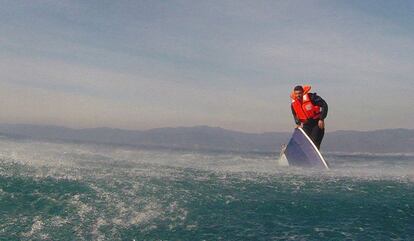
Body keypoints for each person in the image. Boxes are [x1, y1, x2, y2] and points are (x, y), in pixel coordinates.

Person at [290, 85, 328, 149]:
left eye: (299, 93)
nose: (298, 95)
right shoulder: (294, 104)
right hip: (306, 124)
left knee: (314, 141)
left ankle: (315, 156)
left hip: (316, 123)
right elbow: (295, 114)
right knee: (304, 142)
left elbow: (324, 105)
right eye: (296, 94)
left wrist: (321, 119)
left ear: (303, 92)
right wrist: (298, 123)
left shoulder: (312, 98)